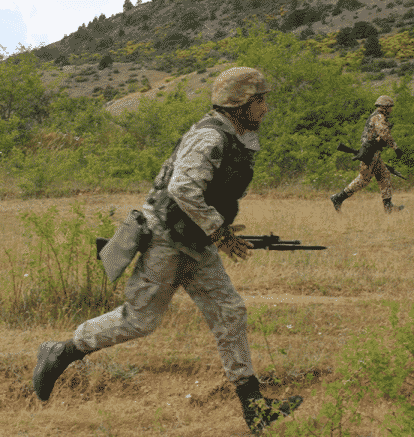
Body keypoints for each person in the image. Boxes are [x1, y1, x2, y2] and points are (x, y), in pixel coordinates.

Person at [32, 67, 303, 433]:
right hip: (167, 240)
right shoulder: (210, 137)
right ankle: (62, 351)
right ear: (240, 103)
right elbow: (183, 188)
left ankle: (254, 407)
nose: (266, 108)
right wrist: (219, 232)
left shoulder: (232, 135)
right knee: (139, 321)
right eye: (260, 100)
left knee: (230, 312)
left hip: (193, 242)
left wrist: (214, 232)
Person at [330, 95, 404, 213]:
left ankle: (388, 206)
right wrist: (396, 148)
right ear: (384, 107)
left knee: (384, 176)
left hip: (373, 152)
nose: (391, 109)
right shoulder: (379, 117)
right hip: (371, 152)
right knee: (363, 179)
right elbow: (384, 134)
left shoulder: (376, 116)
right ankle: (338, 198)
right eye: (390, 107)